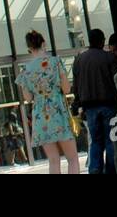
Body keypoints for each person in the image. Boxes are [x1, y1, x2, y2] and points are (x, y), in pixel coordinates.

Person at [15, 30, 79, 174]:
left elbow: (28, 98)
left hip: (40, 117)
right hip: (58, 113)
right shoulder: (56, 62)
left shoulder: (25, 71)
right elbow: (67, 88)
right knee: (72, 158)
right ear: (44, 44)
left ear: (29, 49)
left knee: (53, 160)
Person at [72, 28, 117, 174]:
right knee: (112, 140)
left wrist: (78, 104)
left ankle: (94, 169)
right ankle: (111, 170)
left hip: (89, 107)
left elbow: (76, 85)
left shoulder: (79, 60)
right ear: (102, 41)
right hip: (109, 105)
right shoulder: (110, 58)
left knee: (95, 141)